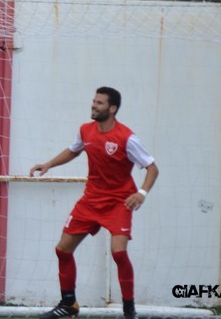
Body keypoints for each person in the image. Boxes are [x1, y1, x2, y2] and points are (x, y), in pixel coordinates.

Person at [30, 86, 159, 319]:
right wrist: (48, 164)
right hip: (91, 200)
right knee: (62, 250)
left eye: (99, 103)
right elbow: (73, 150)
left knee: (118, 253)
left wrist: (141, 192)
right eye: (93, 101)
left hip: (119, 201)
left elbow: (152, 168)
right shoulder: (85, 130)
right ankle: (68, 304)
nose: (93, 105)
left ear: (112, 108)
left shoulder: (127, 138)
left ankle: (129, 310)